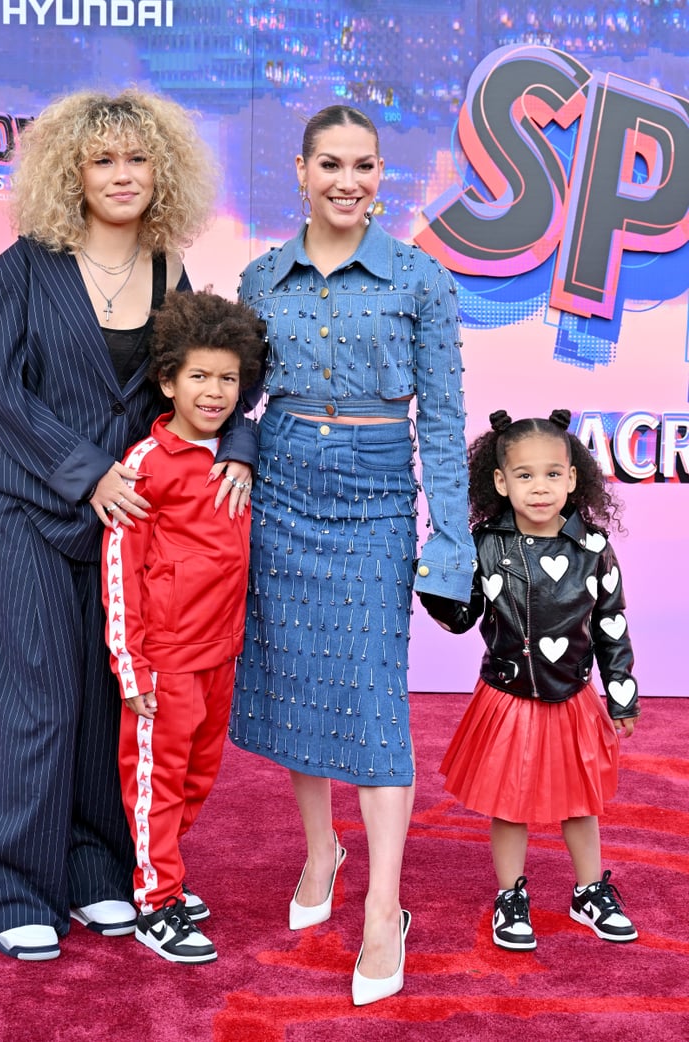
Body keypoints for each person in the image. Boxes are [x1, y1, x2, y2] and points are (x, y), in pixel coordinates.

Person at [0, 89, 257, 962]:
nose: (122, 174)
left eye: (137, 158)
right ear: (72, 172)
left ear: (161, 169)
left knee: (113, 702)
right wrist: (88, 470)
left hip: (136, 530)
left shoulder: (173, 270)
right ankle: (17, 885)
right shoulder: (15, 272)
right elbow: (3, 393)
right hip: (34, 512)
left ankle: (98, 869)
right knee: (39, 704)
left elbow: (227, 362)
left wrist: (240, 439)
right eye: (103, 160)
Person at [228, 104, 474, 1005]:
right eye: (329, 164)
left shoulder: (421, 280)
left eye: (364, 166)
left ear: (382, 176)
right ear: (299, 172)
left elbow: (443, 424)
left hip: (374, 503)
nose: (347, 182)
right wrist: (238, 468)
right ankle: (319, 849)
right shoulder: (260, 278)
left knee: (373, 697)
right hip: (284, 496)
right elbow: (234, 403)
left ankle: (383, 908)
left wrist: (453, 543)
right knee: (300, 681)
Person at [421, 409, 640, 952]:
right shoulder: (485, 544)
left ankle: (589, 890)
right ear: (501, 481)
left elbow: (612, 626)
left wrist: (621, 693)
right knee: (509, 802)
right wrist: (432, 585)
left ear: (572, 478)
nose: (539, 488)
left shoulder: (592, 548)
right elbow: (462, 619)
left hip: (571, 698)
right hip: (507, 696)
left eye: (551, 474)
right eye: (524, 475)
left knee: (580, 800)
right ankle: (510, 895)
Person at [102, 290, 266, 964]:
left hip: (219, 658)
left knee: (198, 778)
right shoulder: (145, 465)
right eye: (199, 376)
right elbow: (120, 567)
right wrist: (132, 666)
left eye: (228, 378)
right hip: (164, 661)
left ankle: (160, 874)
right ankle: (156, 900)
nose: (214, 390)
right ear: (168, 380)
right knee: (157, 783)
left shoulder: (239, 457)